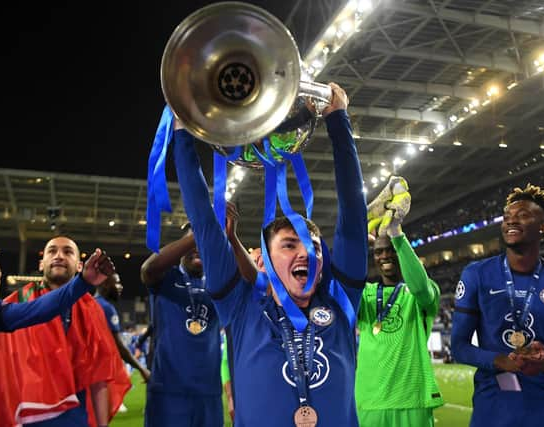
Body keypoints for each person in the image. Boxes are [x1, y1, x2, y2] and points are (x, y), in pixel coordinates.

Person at [172, 82, 367, 426]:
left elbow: (353, 214)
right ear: (266, 256)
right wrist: (181, 130)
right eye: (290, 244)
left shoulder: (341, 302)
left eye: (313, 246)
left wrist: (338, 120)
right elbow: (203, 219)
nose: (305, 253)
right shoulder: (241, 307)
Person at [451, 184, 544, 427]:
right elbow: (459, 347)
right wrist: (500, 360)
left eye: (523, 215)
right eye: (506, 217)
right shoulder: (476, 274)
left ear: (543, 227)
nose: (511, 221)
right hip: (491, 410)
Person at [0, 236, 131, 427]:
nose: (59, 256)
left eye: (67, 252)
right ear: (41, 264)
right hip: (28, 419)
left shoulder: (92, 310)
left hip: (75, 418)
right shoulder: (16, 303)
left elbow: (99, 376)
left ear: (80, 266)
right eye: (52, 251)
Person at [355, 201, 444, 426]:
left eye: (391, 250)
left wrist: (396, 234)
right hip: (369, 401)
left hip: (412, 400)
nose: (384, 256)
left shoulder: (419, 292)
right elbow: (342, 286)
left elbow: (420, 287)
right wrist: (356, 244)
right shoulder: (365, 294)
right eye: (378, 252)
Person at [140, 224, 223, 427]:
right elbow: (147, 269)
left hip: (209, 393)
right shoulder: (167, 278)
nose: (197, 248)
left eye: (203, 244)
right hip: (168, 392)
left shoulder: (219, 284)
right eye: (191, 244)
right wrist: (197, 234)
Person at [95, 272, 151, 382]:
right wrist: (141, 369)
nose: (120, 287)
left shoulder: (90, 303)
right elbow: (118, 345)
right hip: (100, 372)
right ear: (106, 284)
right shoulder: (107, 308)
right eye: (117, 283)